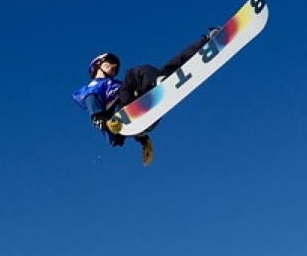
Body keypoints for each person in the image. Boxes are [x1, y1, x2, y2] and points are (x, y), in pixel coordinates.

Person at [72, 28, 219, 166]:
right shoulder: (92, 88)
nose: (115, 67)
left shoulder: (117, 84)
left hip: (137, 111)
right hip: (120, 117)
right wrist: (107, 124)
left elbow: (133, 114)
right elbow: (96, 116)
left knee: (167, 70)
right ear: (98, 65)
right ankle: (157, 81)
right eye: (110, 63)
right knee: (132, 73)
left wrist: (143, 139)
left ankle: (206, 42)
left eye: (116, 66)